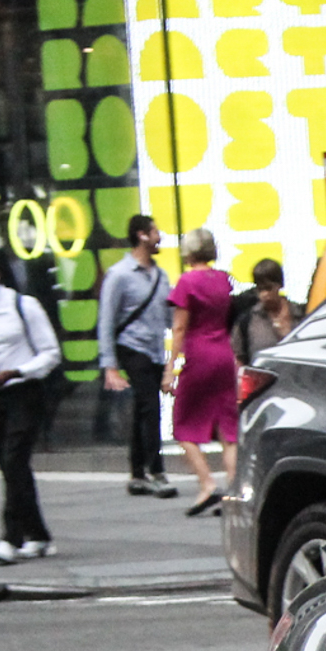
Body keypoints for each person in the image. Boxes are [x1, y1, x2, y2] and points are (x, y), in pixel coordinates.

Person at [0, 251, 61, 565]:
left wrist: (17, 371)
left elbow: (50, 354)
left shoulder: (23, 306)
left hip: (24, 392)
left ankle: (11, 537)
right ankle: (39, 535)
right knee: (11, 468)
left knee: (14, 458)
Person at [97, 213, 178, 498]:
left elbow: (169, 316)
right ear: (142, 235)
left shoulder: (161, 275)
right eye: (156, 232)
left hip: (154, 349)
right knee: (150, 407)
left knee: (143, 410)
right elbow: (106, 319)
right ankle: (157, 471)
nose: (160, 237)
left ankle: (137, 473)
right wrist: (110, 364)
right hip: (132, 348)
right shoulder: (119, 275)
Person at [164, 228, 241, 516]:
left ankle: (207, 484)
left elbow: (180, 326)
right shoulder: (222, 279)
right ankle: (233, 490)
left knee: (182, 423)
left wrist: (170, 368)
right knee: (228, 427)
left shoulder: (187, 282)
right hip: (225, 354)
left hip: (199, 355)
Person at [231, 258, 297, 363]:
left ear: (280, 285)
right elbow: (238, 356)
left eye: (269, 288)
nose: (264, 294)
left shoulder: (299, 314)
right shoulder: (248, 321)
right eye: (260, 289)